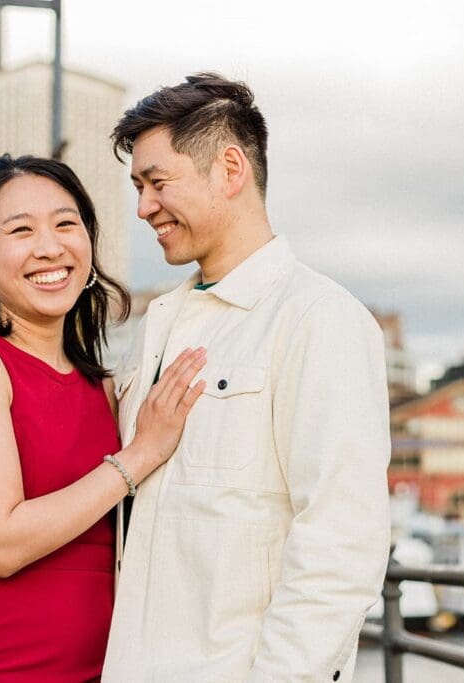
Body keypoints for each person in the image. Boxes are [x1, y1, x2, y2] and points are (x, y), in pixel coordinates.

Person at [102, 74, 392, 682]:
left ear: (229, 169)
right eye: (137, 187)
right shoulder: (157, 324)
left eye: (157, 183)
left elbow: (341, 542)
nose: (143, 207)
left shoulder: (319, 318)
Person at [0, 154, 206, 682]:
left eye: (66, 224)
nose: (50, 246)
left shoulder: (107, 388)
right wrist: (137, 456)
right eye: (21, 230)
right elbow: (0, 544)